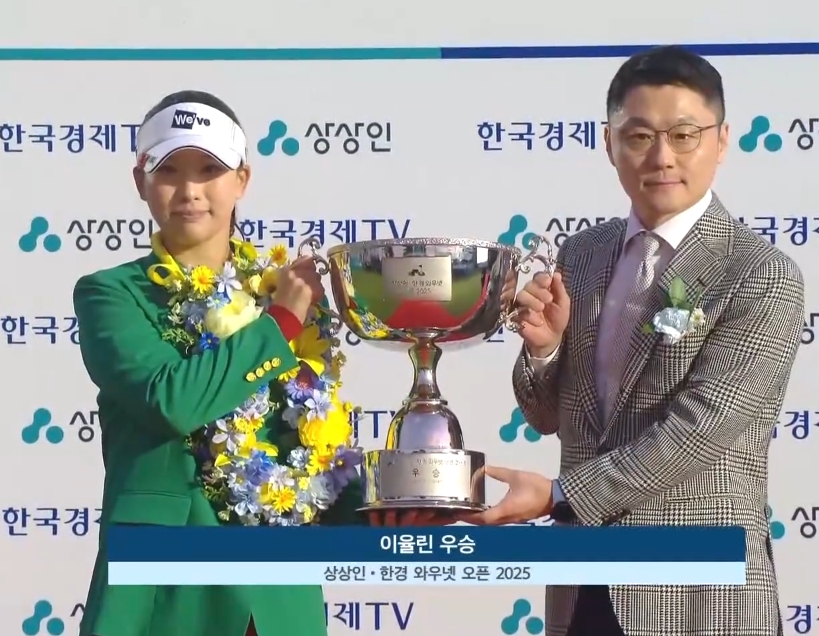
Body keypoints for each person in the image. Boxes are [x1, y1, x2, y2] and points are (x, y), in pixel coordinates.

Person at [462, 46, 804, 636]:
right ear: (609, 143)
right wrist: (544, 349)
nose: (662, 156)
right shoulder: (582, 254)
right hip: (582, 584)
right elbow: (545, 416)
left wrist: (558, 495)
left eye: (685, 135)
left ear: (722, 141)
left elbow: (698, 430)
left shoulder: (758, 273)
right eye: (641, 136)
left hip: (699, 594)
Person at [74, 90, 438, 636]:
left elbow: (309, 452)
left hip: (278, 598)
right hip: (166, 594)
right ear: (140, 181)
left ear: (241, 180)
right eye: (169, 170)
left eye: (209, 170)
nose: (190, 190)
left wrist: (384, 503)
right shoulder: (111, 294)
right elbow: (169, 401)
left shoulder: (279, 292)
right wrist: (281, 324)